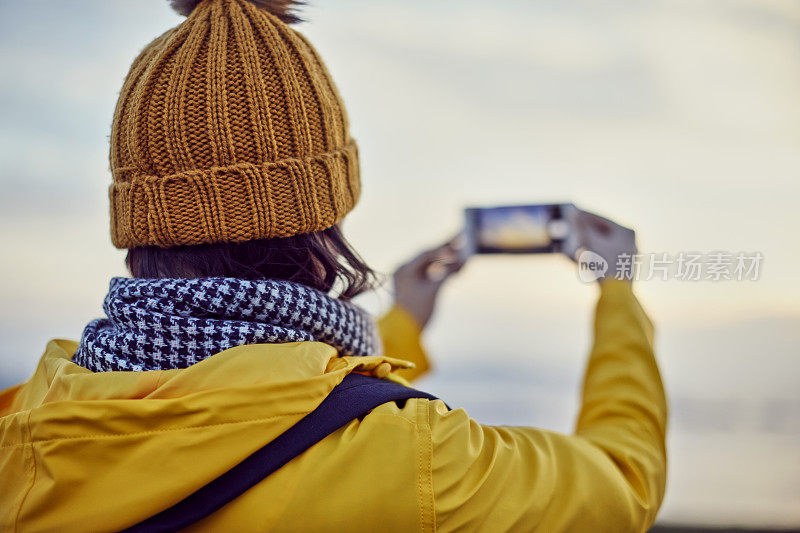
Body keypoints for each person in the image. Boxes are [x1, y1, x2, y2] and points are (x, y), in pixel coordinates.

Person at [0, 0, 667, 531]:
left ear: (139, 226)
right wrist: (617, 292)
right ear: (325, 219)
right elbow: (623, 482)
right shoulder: (416, 460)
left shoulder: (25, 427)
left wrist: (403, 322)